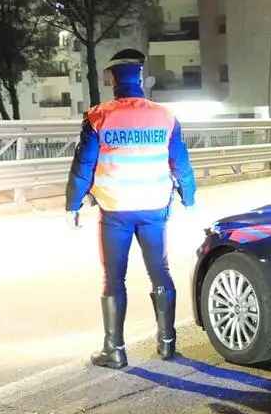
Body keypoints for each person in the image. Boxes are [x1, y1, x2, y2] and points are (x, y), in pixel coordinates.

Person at [65, 48, 197, 368]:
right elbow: (180, 161)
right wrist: (189, 197)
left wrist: (73, 204)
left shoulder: (98, 116)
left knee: (114, 278)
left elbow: (84, 164)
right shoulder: (165, 116)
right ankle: (167, 344)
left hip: (116, 211)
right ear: (141, 80)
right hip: (154, 208)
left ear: (113, 81)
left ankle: (115, 349)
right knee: (160, 272)